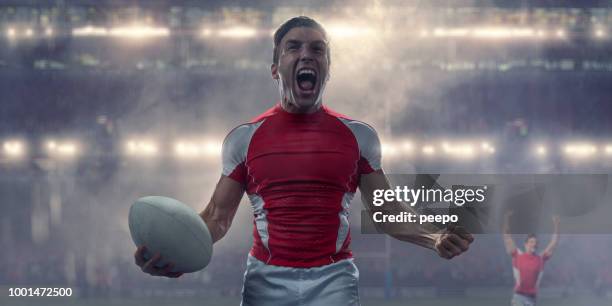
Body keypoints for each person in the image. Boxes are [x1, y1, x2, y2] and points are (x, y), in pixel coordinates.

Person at [134, 16, 473, 305]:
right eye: (293, 47)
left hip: (334, 281)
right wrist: (172, 253)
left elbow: (386, 213)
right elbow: (216, 219)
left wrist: (435, 237)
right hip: (265, 281)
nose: (306, 54)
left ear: (327, 69)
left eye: (317, 49)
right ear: (275, 68)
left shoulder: (360, 137)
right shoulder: (244, 138)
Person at [503, 211, 560, 306]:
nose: (534, 244)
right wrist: (506, 219)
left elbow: (554, 243)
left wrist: (556, 225)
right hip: (519, 298)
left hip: (532, 298)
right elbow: (507, 237)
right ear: (526, 244)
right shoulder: (517, 255)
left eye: (536, 242)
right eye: (531, 242)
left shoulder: (540, 258)